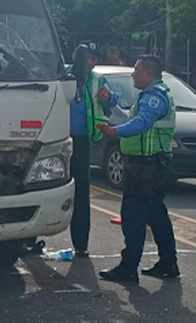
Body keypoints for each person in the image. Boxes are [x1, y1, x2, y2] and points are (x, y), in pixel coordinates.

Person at [96, 55, 179, 283]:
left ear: (148, 73)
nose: (133, 74)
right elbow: (127, 115)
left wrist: (114, 132)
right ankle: (168, 264)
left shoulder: (154, 97)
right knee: (156, 214)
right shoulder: (154, 94)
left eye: (136, 70)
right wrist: (109, 101)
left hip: (147, 166)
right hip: (154, 164)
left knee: (133, 216)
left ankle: (128, 268)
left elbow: (142, 123)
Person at [67, 40, 118, 258]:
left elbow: (113, 100)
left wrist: (109, 98)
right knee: (40, 188)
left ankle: (81, 244)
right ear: (74, 56)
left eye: (94, 58)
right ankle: (28, 240)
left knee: (81, 192)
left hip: (82, 141)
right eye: (86, 56)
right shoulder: (62, 75)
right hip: (56, 140)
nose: (90, 62)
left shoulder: (98, 80)